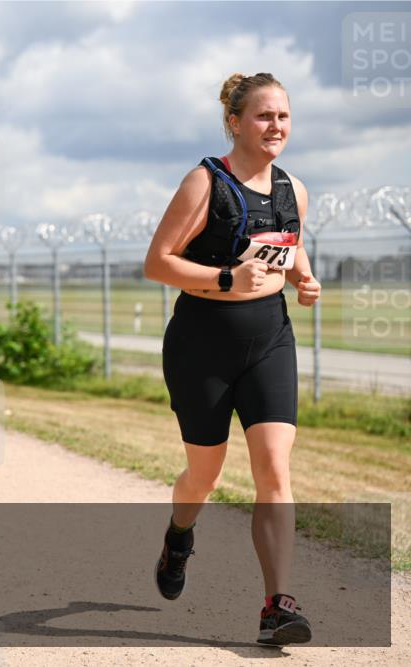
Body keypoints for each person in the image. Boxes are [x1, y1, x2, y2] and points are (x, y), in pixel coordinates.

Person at [143, 73, 321, 646]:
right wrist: (226, 277)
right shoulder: (205, 182)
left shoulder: (294, 189)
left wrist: (304, 277)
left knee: (274, 468)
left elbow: (288, 245)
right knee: (205, 475)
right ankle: (179, 537)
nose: (276, 127)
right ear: (236, 122)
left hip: (270, 342)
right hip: (202, 347)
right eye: (265, 116)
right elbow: (158, 262)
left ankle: (276, 606)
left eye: (284, 117)